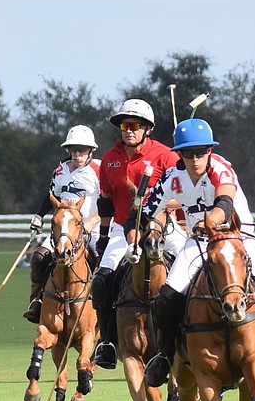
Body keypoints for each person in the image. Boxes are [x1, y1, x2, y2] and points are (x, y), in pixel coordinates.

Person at [126, 119, 255, 386]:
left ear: (210, 151)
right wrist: (134, 238)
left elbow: (225, 204)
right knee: (166, 298)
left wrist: (208, 222)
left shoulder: (221, 169)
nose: (195, 159)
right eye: (188, 153)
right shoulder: (171, 179)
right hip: (197, 245)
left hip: (236, 240)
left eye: (200, 152)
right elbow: (142, 213)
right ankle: (164, 354)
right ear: (180, 154)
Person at [92, 99, 188, 369]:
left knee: (196, 268)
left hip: (163, 228)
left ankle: (191, 333)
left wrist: (153, 202)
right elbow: (105, 202)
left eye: (134, 125)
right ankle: (108, 342)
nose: (128, 130)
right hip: (124, 230)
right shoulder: (109, 159)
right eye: (124, 125)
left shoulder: (166, 156)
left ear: (148, 128)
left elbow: (182, 198)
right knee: (101, 281)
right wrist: (102, 236)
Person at [23, 125, 101, 323]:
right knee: (40, 257)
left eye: (82, 150)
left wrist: (93, 220)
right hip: (62, 232)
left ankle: (103, 306)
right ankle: (36, 301)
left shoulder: (98, 170)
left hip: (91, 230)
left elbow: (108, 201)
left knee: (101, 261)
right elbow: (52, 196)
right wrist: (39, 216)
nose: (77, 154)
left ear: (91, 150)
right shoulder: (60, 169)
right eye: (73, 149)